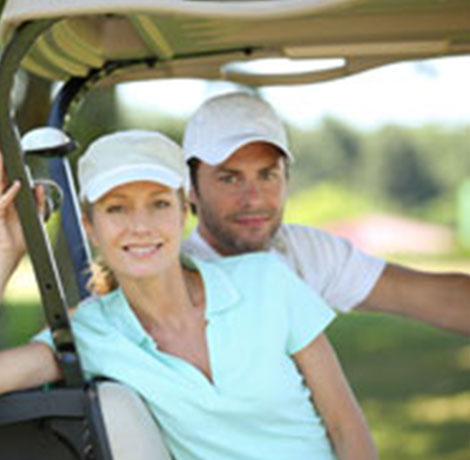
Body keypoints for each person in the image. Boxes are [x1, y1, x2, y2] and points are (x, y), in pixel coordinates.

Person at [0, 130, 378, 460]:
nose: (140, 226)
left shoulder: (266, 281)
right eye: (117, 208)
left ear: (184, 212)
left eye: (159, 204)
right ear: (91, 227)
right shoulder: (89, 331)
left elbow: (346, 426)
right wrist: (5, 253)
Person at [181, 92, 470, 335]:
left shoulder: (305, 251)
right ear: (190, 188)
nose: (253, 198)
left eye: (267, 175)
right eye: (230, 179)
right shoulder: (170, 274)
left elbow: (427, 296)